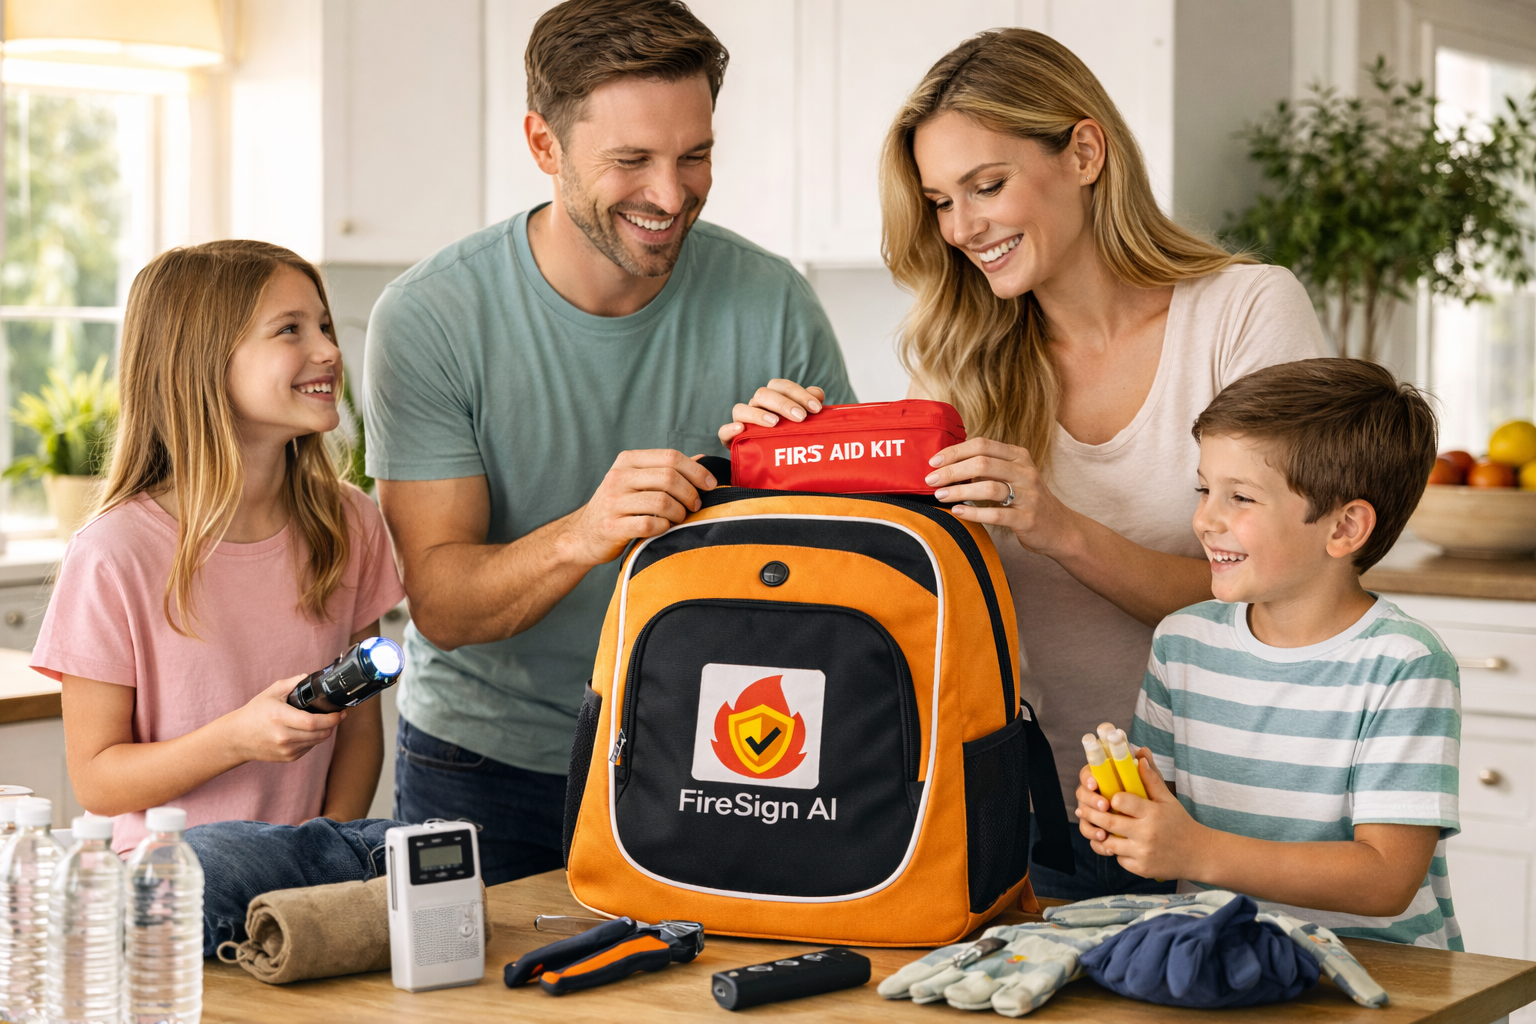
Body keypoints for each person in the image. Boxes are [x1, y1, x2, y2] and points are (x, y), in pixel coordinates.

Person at [722, 29, 1324, 898]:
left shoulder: (1243, 314)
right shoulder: (960, 363)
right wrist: (795, 455)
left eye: (987, 185)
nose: (963, 227)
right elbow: (910, 586)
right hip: (1053, 817)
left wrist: (1062, 531)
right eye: (939, 201)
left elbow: (1289, 594)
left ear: (1084, 152)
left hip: (1241, 817)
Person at [365, 0, 855, 885]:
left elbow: (846, 575)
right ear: (544, 146)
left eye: (695, 155)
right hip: (488, 764)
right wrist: (586, 532)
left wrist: (787, 481)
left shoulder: (772, 300)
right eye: (631, 160)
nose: (671, 196)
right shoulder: (431, 316)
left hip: (717, 758)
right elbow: (442, 604)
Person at [32, 240, 406, 858]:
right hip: (171, 886)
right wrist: (236, 739)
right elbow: (96, 780)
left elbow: (360, 729)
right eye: (289, 330)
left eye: (325, 325)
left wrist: (322, 856)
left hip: (300, 879)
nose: (330, 351)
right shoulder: (114, 553)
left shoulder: (347, 521)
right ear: (201, 364)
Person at [1076, 358, 1460, 948]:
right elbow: (1163, 828)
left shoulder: (1404, 663)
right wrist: (1123, 815)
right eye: (1205, 488)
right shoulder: (1183, 643)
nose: (1206, 519)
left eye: (1241, 498)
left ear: (1344, 529)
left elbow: (1387, 878)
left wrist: (1195, 849)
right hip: (1221, 964)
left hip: (1384, 981)